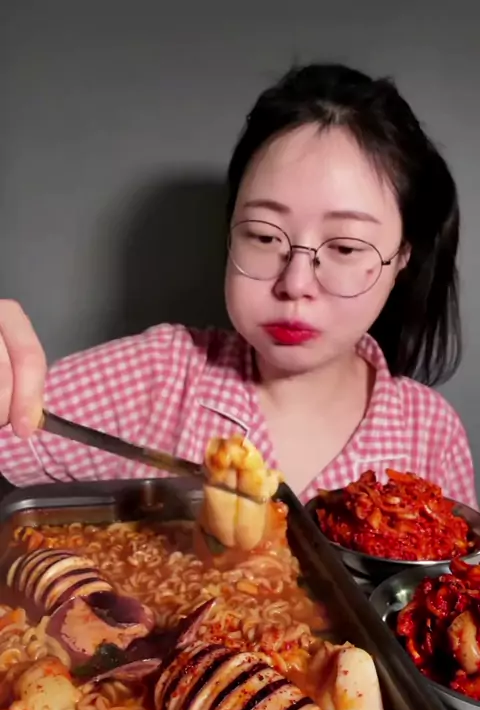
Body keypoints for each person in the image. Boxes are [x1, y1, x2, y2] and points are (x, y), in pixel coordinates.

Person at [0, 63, 476, 506]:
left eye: (346, 247)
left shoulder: (430, 434)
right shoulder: (157, 378)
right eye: (265, 237)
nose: (295, 284)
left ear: (402, 258)